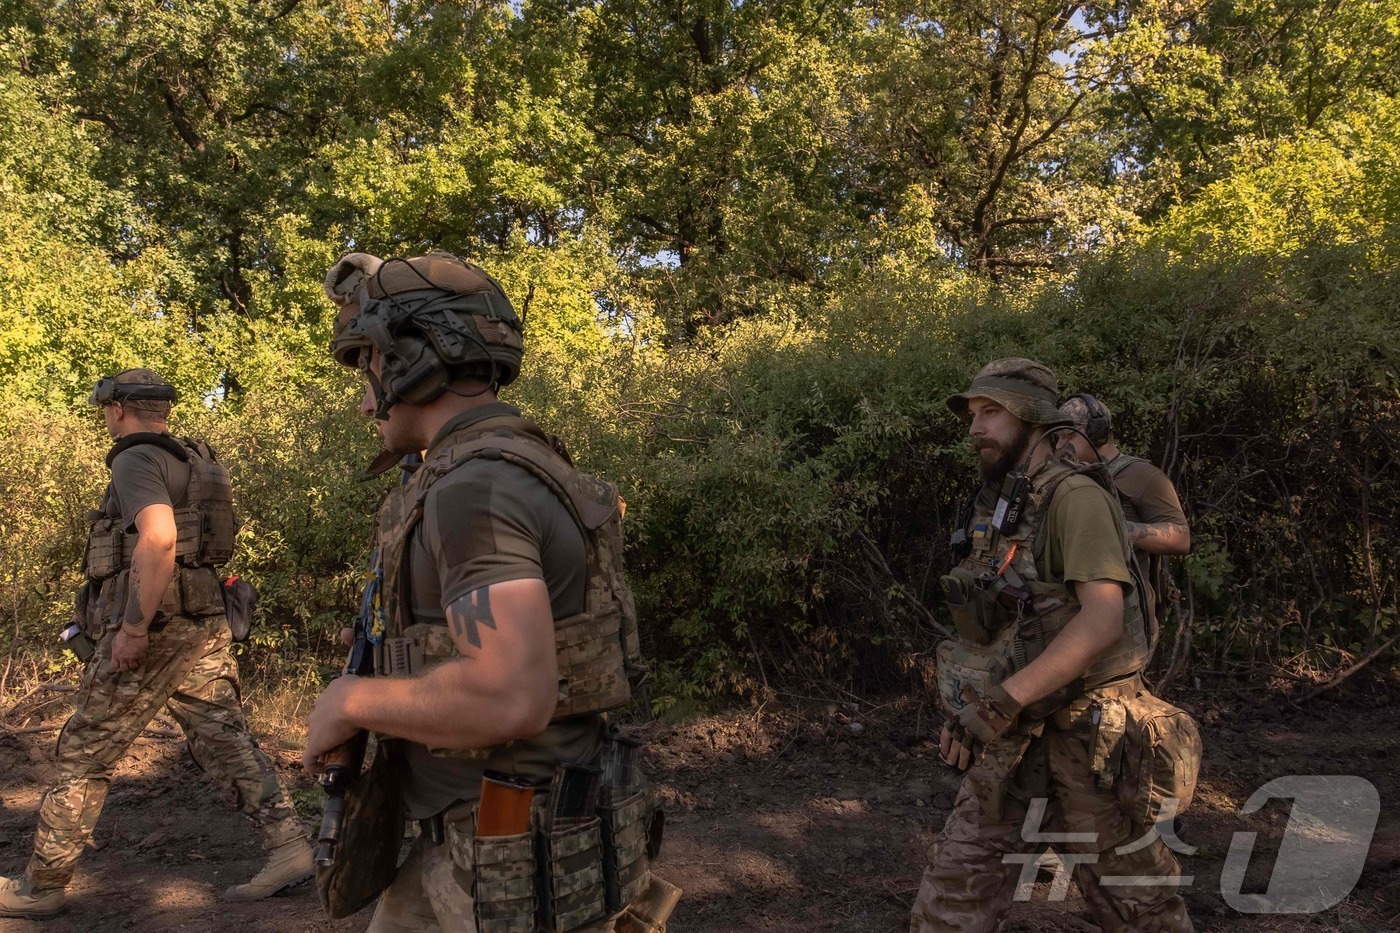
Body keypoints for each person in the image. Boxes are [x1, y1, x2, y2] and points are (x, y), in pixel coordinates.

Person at [305, 251, 678, 932]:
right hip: (484, 848)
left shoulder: (474, 489)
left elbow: (509, 692)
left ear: (415, 359)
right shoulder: (513, 464)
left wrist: (352, 700)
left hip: (500, 868)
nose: (365, 399)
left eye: (371, 365)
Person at [0, 369, 313, 921]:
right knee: (222, 739)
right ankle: (290, 849)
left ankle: (42, 887)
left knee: (84, 750)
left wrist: (133, 629)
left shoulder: (134, 459)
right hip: (204, 620)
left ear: (118, 408)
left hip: (158, 629)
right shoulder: (192, 459)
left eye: (105, 408)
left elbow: (160, 537)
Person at [910, 359, 1196, 933]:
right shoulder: (1007, 502)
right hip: (1017, 733)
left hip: (1088, 739)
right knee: (951, 897)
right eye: (972, 414)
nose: (975, 428)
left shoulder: (1076, 499)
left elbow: (1100, 624)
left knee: (1139, 909)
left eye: (991, 412)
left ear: (1033, 420)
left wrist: (996, 704)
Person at [1059, 393, 1190, 657]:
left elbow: (1181, 538)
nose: (1060, 445)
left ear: (1097, 433)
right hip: (1074, 612)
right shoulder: (1065, 476)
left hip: (1126, 618)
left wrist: (1120, 529)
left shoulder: (1141, 475)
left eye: (1069, 436)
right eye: (1057, 437)